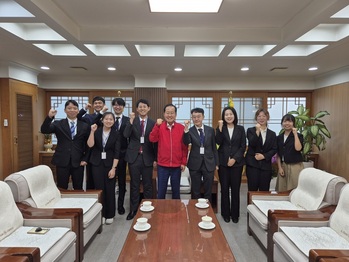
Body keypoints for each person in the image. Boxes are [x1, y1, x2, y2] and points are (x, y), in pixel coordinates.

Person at [40, 99, 90, 190]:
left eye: (74, 108)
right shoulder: (58, 124)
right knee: (61, 187)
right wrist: (49, 117)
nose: (72, 110)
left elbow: (88, 144)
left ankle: (78, 204)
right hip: (62, 160)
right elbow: (44, 130)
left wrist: (85, 158)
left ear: (78, 110)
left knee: (78, 187)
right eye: (69, 108)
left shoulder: (84, 126)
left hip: (78, 161)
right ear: (65, 110)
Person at [123, 99, 157, 220]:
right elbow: (126, 135)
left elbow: (156, 142)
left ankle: (147, 208)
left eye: (144, 106)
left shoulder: (153, 123)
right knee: (134, 185)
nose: (142, 108)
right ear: (137, 109)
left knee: (148, 185)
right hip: (134, 157)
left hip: (148, 157)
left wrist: (156, 159)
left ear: (149, 108)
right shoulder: (132, 121)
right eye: (140, 107)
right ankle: (133, 210)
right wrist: (130, 121)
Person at [87, 112, 120, 225]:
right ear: (102, 120)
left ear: (114, 122)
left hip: (110, 164)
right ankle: (101, 214)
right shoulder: (97, 131)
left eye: (111, 119)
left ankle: (110, 214)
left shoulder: (116, 134)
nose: (108, 121)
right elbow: (90, 145)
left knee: (110, 189)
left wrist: (114, 168)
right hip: (97, 163)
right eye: (106, 119)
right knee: (99, 189)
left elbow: (117, 152)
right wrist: (92, 131)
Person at [149, 104, 188, 199]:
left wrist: (183, 162)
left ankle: (176, 212)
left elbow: (184, 147)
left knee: (176, 192)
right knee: (161, 192)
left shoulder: (181, 128)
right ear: (164, 114)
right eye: (167, 113)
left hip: (176, 166)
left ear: (175, 115)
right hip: (162, 165)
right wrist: (157, 126)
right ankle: (160, 213)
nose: (169, 115)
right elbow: (152, 139)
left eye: (172, 113)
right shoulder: (160, 126)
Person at [215, 107, 246, 223]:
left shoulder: (240, 129)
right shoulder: (220, 128)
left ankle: (235, 214)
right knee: (224, 189)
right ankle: (225, 214)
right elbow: (218, 142)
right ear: (223, 117)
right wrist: (219, 128)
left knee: (235, 189)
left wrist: (235, 159)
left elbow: (243, 146)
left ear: (234, 115)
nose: (228, 116)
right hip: (223, 163)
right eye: (226, 114)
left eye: (230, 114)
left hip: (236, 164)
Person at [183, 107, 218, 203]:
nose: (196, 119)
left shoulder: (210, 130)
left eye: (198, 116)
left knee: (208, 190)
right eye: (194, 117)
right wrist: (185, 130)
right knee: (195, 190)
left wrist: (216, 163)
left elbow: (214, 147)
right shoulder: (189, 131)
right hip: (195, 163)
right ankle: (194, 211)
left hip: (209, 163)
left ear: (203, 117)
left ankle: (208, 210)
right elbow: (186, 142)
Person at [77, 96, 108, 189]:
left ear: (103, 104)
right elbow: (79, 118)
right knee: (91, 177)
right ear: (93, 105)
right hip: (92, 149)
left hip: (106, 150)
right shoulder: (88, 117)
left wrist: (103, 114)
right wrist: (85, 108)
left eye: (100, 103)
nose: (98, 105)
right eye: (96, 103)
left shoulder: (108, 117)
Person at [245, 109, 277, 191]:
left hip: (266, 166)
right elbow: (252, 143)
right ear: (256, 118)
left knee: (264, 190)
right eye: (259, 116)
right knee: (252, 190)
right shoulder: (250, 130)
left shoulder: (272, 134)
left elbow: (274, 149)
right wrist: (257, 131)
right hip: (252, 165)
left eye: (264, 116)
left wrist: (264, 156)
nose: (261, 118)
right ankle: (251, 204)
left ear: (267, 118)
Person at [276, 114, 304, 191]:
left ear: (293, 123)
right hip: (283, 166)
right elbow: (278, 154)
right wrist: (280, 167)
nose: (287, 123)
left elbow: (298, 148)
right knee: (282, 189)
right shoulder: (279, 137)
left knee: (294, 189)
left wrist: (295, 134)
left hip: (295, 166)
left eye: (290, 121)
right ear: (282, 123)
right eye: (285, 121)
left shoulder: (299, 136)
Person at [112, 97, 129, 215]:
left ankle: (120, 205)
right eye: (115, 105)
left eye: (120, 105)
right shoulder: (108, 118)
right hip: (110, 154)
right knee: (110, 181)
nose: (117, 107)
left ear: (123, 107)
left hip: (123, 154)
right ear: (113, 106)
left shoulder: (128, 120)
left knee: (122, 181)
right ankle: (110, 205)